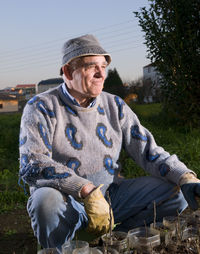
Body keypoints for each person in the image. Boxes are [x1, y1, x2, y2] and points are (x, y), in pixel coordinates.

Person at [19, 34, 200, 251]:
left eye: (103, 65)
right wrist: (85, 189)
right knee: (45, 201)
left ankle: (114, 240)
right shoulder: (40, 106)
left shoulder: (115, 105)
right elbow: (33, 163)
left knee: (176, 190)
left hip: (111, 195)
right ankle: (61, 247)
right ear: (68, 71)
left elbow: (148, 151)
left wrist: (185, 176)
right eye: (91, 66)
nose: (101, 73)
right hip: (66, 200)